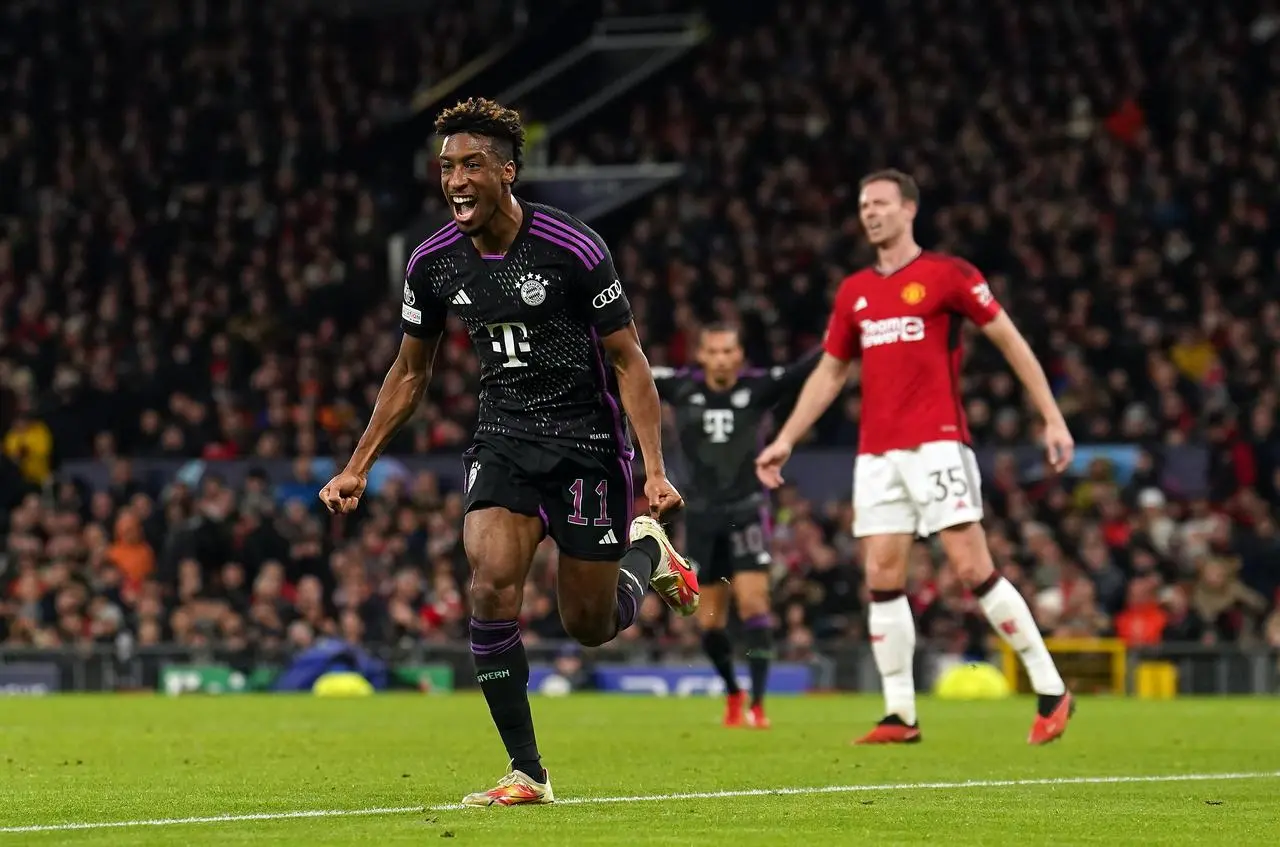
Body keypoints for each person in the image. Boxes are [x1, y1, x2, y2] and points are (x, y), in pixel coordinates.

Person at [318, 98, 699, 805]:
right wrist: (357, 463)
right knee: (490, 582)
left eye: (471, 165)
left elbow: (629, 360)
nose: (455, 180)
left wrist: (654, 468)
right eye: (446, 167)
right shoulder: (433, 264)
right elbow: (410, 372)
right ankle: (528, 770)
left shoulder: (574, 248)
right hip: (505, 439)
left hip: (587, 445)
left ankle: (648, 554)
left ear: (507, 171)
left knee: (591, 625)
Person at [756, 169, 1077, 746]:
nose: (869, 213)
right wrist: (787, 437)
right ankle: (900, 713)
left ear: (909, 209)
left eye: (880, 203)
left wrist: (1051, 416)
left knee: (971, 568)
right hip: (876, 453)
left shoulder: (947, 275)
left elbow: (1010, 340)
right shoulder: (854, 290)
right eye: (862, 205)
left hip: (938, 442)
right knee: (881, 576)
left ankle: (1052, 688)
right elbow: (832, 371)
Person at [653, 324, 819, 728]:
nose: (723, 358)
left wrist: (836, 337)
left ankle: (759, 706)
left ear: (740, 355)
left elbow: (800, 372)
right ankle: (732, 692)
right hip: (703, 516)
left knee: (755, 604)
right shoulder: (680, 387)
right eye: (715, 351)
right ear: (703, 355)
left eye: (729, 350)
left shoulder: (758, 387)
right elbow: (628, 367)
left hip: (746, 511)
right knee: (708, 621)